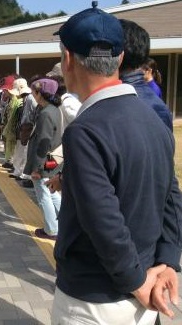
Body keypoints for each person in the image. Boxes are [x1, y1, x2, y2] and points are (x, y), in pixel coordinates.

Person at [52, 5, 178, 324]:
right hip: (145, 290)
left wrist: (136, 281)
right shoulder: (153, 118)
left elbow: (103, 219)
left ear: (68, 58)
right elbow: (171, 195)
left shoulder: (85, 130)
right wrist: (167, 262)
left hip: (95, 298)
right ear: (120, 60)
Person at [119, 19, 182, 324]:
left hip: (134, 254)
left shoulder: (141, 106)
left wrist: (167, 257)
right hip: (143, 253)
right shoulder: (150, 102)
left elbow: (167, 183)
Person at [23, 77, 62, 240]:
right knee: (52, 193)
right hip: (52, 160)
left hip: (43, 162)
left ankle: (52, 230)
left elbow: (43, 143)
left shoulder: (45, 113)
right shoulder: (53, 109)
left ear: (40, 93)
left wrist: (37, 169)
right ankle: (64, 222)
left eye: (33, 91)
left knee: (44, 195)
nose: (32, 94)